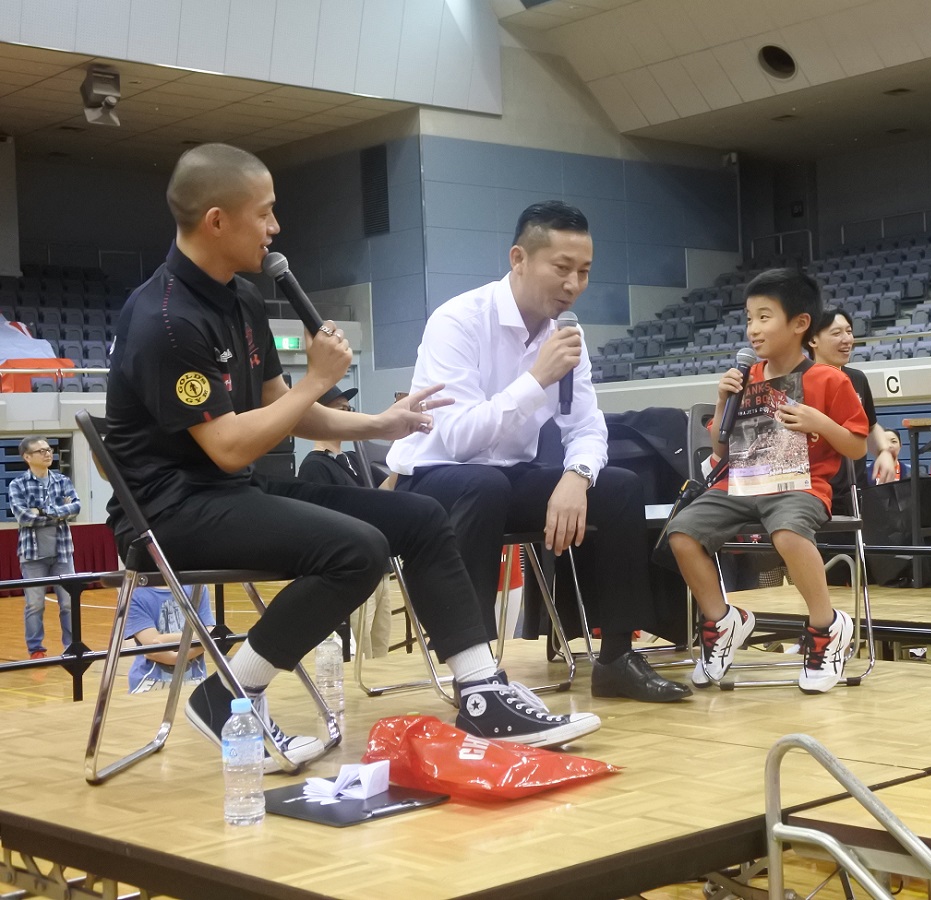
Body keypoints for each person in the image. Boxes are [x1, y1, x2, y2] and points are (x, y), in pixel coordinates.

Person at [105, 144, 599, 769]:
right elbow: (228, 448)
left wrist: (379, 423)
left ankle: (480, 692)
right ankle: (228, 693)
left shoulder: (242, 299)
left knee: (420, 517)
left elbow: (282, 406)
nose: (276, 227)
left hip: (233, 493)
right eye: (265, 213)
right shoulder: (166, 320)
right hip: (169, 512)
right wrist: (318, 379)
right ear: (217, 221)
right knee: (356, 550)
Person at [388, 201, 690, 704]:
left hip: (508, 476)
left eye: (584, 271)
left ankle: (616, 658)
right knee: (483, 484)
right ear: (519, 259)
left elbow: (587, 425)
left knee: (618, 487)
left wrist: (577, 477)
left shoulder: (566, 335)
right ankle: (474, 670)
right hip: (435, 476)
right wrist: (536, 379)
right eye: (562, 268)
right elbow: (459, 438)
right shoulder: (458, 321)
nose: (574, 284)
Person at [665, 268, 869, 693]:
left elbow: (856, 447)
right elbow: (721, 450)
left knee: (788, 532)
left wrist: (819, 422)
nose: (753, 329)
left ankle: (826, 626)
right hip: (742, 482)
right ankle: (723, 620)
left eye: (764, 317)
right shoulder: (746, 378)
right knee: (682, 533)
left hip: (801, 486)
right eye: (749, 318)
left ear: (800, 323)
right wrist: (722, 401)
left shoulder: (830, 379)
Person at [295, 385, 392, 658]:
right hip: (356, 569)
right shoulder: (314, 466)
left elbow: (385, 494)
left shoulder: (353, 458)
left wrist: (405, 453)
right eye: (341, 410)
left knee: (380, 652)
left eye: (350, 410)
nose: (349, 415)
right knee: (360, 652)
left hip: (380, 567)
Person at [804, 307, 896, 508]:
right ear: (812, 340)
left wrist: (884, 451)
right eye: (836, 333)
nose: (847, 339)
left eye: (849, 331)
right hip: (813, 495)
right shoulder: (799, 382)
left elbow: (870, 426)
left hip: (854, 492)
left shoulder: (857, 379)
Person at [8, 436, 79, 659]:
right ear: (27, 457)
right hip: (32, 556)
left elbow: (76, 507)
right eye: (41, 451)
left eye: (49, 449)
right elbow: (24, 517)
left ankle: (72, 646)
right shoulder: (17, 484)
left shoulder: (62, 481)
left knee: (68, 603)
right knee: (35, 604)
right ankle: (36, 649)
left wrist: (42, 511)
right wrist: (59, 512)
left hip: (63, 553)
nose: (48, 453)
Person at [125, 585, 213, 693]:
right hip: (147, 684)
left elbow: (211, 635)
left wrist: (175, 658)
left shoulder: (197, 587)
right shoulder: (135, 595)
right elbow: (152, 642)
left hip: (195, 682)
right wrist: (200, 637)